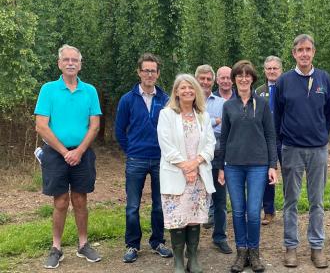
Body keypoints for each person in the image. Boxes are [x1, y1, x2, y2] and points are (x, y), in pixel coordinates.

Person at [35, 44, 102, 269]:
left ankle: (83, 245)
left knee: (81, 200)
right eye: (67, 60)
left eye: (75, 60)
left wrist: (79, 151)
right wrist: (65, 152)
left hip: (82, 153)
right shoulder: (48, 89)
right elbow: (41, 126)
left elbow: (94, 126)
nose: (71, 63)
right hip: (56, 154)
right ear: (59, 63)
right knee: (61, 201)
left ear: (80, 64)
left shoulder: (90, 91)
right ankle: (56, 248)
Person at [274, 34, 330, 268]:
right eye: (300, 50)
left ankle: (317, 248)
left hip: (318, 149)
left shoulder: (324, 79)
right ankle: (291, 248)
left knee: (317, 201)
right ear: (294, 53)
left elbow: (328, 113)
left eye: (308, 49)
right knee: (291, 201)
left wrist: (321, 135)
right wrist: (284, 142)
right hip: (292, 149)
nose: (304, 54)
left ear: (314, 52)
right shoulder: (284, 81)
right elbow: (277, 115)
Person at [218, 60, 278, 273]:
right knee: (237, 211)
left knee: (253, 212)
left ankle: (254, 253)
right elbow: (223, 138)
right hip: (233, 166)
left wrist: (272, 165)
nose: (243, 78)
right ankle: (241, 252)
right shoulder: (228, 106)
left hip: (258, 166)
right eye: (239, 75)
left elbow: (271, 136)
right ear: (234, 80)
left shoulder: (261, 104)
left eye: (247, 75)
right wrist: (221, 167)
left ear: (253, 78)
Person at [115, 53, 173, 263]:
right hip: (136, 160)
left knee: (159, 204)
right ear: (139, 72)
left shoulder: (166, 100)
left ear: (158, 74)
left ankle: (158, 241)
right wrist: (130, 150)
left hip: (161, 160)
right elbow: (120, 130)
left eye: (153, 71)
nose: (149, 74)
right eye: (145, 70)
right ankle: (132, 244)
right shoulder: (128, 99)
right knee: (132, 206)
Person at [157, 74, 216, 273]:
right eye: (183, 88)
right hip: (175, 174)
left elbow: (210, 143)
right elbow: (166, 145)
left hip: (199, 176)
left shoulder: (203, 115)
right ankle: (178, 262)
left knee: (194, 218)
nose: (187, 91)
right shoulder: (167, 114)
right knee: (178, 219)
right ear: (176, 92)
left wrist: (195, 163)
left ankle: (193, 258)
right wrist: (185, 166)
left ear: (196, 92)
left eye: (191, 88)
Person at [195, 65, 233, 254]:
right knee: (194, 200)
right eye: (202, 78)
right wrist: (213, 121)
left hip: (218, 156)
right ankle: (191, 242)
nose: (205, 82)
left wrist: (209, 124)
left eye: (208, 79)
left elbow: (224, 130)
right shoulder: (188, 101)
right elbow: (194, 127)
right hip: (194, 157)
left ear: (213, 81)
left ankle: (220, 237)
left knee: (219, 200)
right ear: (196, 79)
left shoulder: (221, 103)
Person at [255, 56, 283, 226]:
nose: (272, 71)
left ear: (281, 70)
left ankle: (290, 210)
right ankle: (269, 211)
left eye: (275, 68)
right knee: (267, 176)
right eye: (268, 68)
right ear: (264, 70)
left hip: (284, 137)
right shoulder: (258, 92)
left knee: (289, 174)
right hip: (265, 139)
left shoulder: (288, 88)